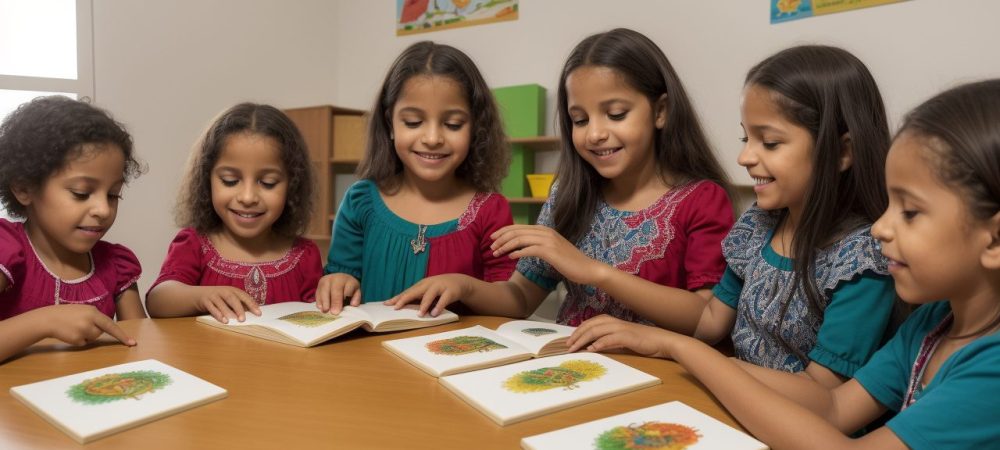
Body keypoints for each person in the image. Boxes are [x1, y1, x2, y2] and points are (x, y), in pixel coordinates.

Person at [569, 79, 1000, 449]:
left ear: (994, 238)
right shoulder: (931, 325)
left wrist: (681, 348)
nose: (880, 229)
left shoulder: (990, 370)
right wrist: (675, 347)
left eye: (910, 212)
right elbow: (832, 411)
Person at [571, 45, 898, 392]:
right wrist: (643, 337)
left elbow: (822, 391)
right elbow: (710, 321)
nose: (744, 157)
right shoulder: (758, 226)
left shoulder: (863, 261)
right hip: (733, 402)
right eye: (746, 137)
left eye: (770, 142)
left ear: (842, 151)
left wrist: (682, 351)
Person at [388, 28, 733, 327]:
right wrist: (464, 285)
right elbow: (521, 297)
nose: (595, 133)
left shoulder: (702, 199)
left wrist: (593, 271)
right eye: (579, 120)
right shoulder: (569, 195)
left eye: (615, 114)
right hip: (570, 370)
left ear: (661, 111)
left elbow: (706, 318)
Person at [316, 41, 515, 313]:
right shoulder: (360, 201)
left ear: (475, 127)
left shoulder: (490, 211)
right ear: (390, 124)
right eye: (413, 122)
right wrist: (338, 282)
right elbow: (341, 276)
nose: (432, 138)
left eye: (453, 124)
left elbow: (511, 300)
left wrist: (465, 286)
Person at [146, 103, 322, 323]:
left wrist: (337, 290)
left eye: (268, 183)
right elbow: (158, 300)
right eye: (230, 180)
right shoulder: (194, 244)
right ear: (206, 180)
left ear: (292, 185)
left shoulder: (304, 255)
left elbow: (319, 318)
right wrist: (201, 296)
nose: (248, 197)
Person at [0, 96, 146, 360]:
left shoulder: (117, 265)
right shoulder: (5, 250)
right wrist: (44, 322)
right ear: (23, 188)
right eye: (81, 193)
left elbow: (142, 346)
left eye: (113, 195)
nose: (103, 209)